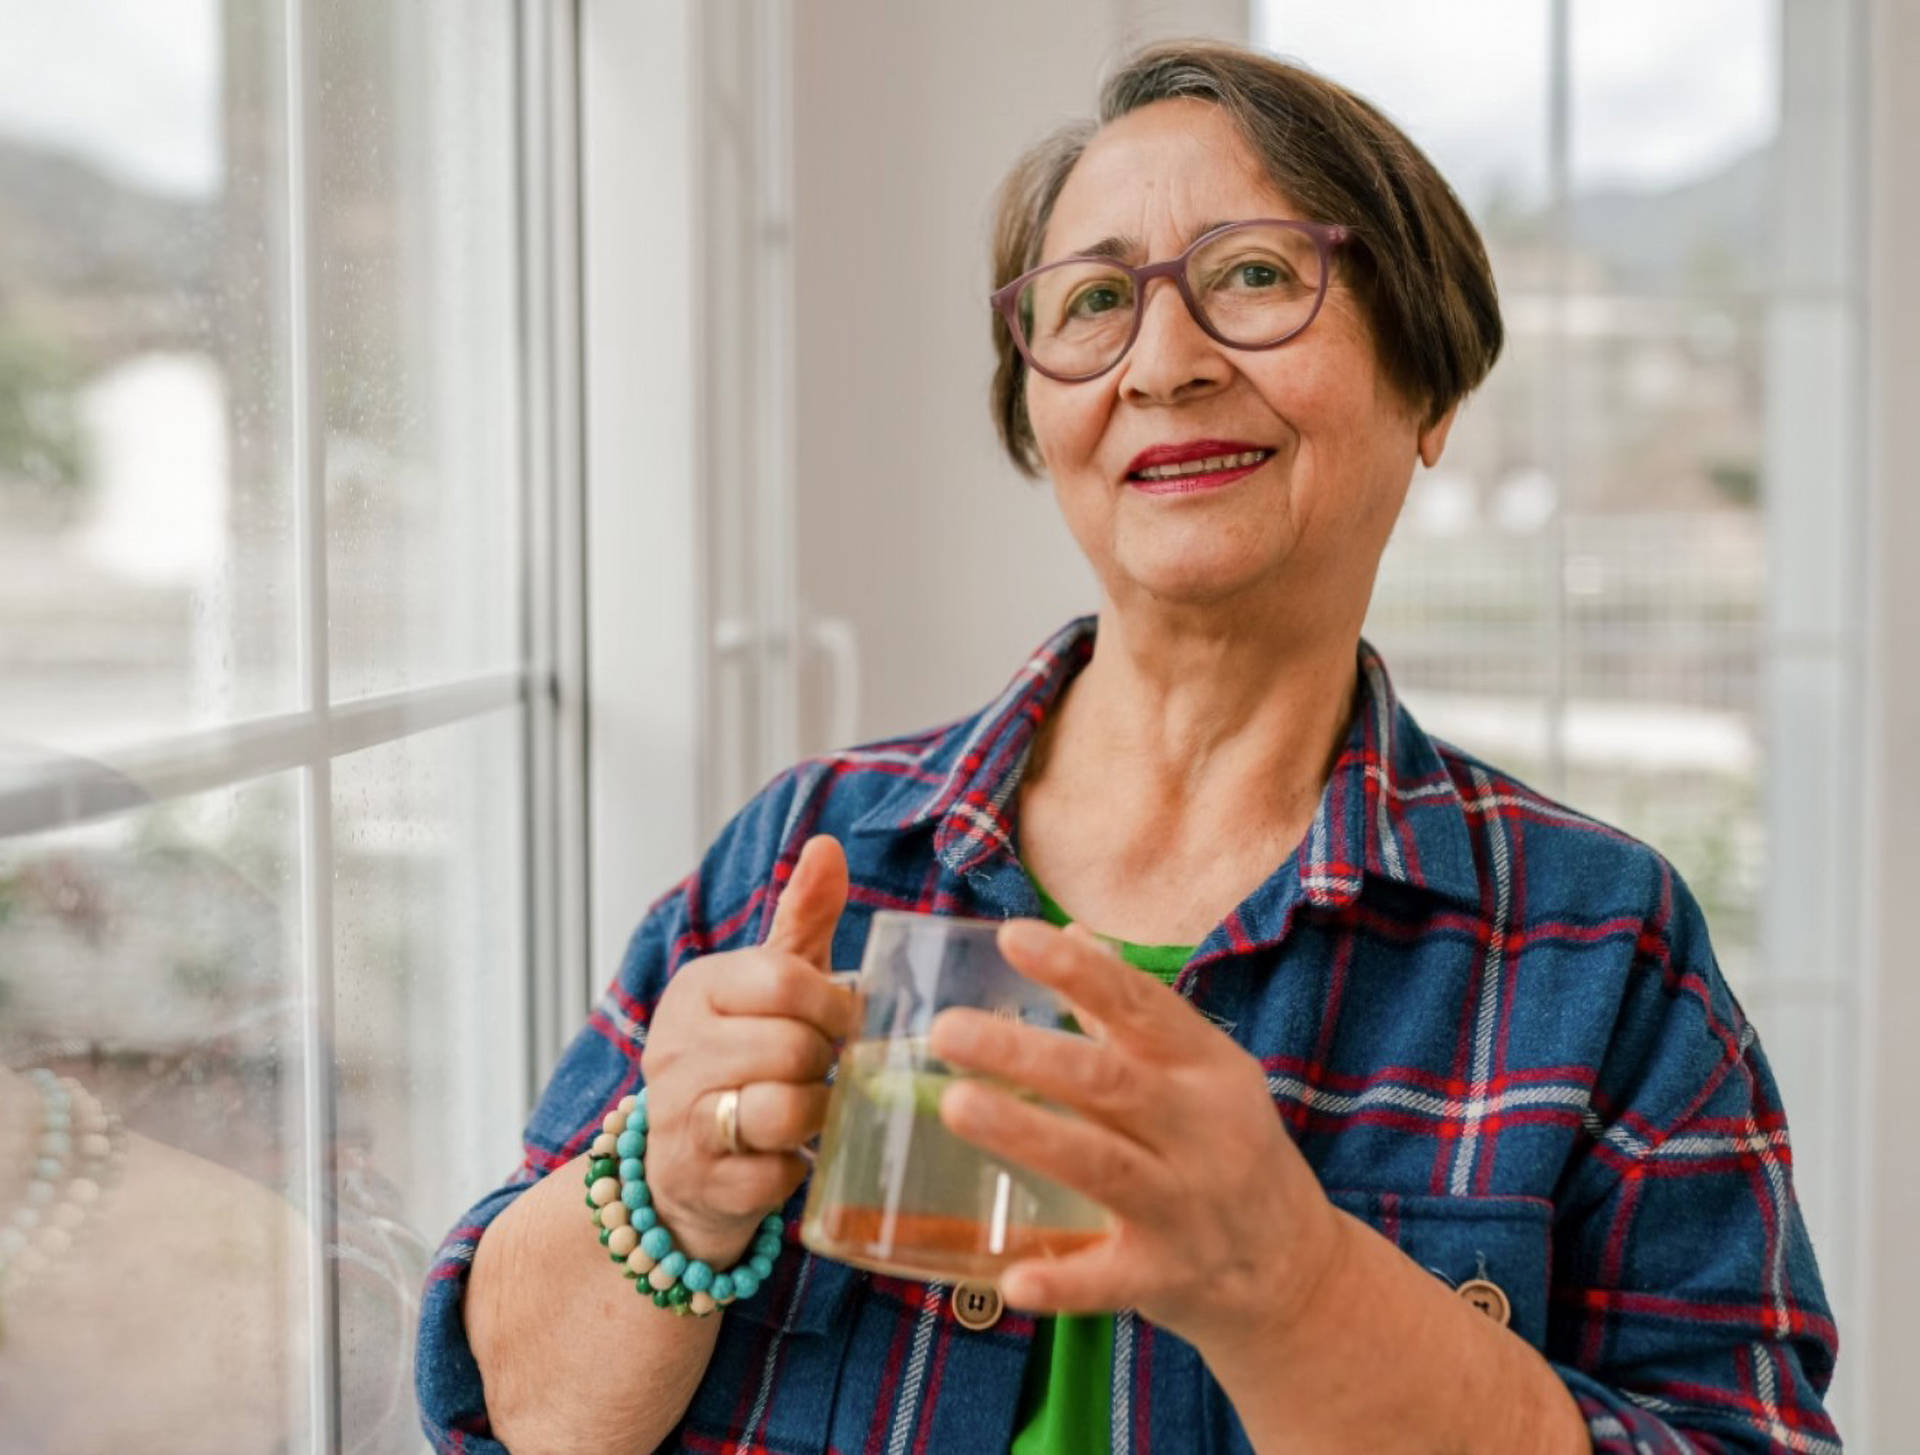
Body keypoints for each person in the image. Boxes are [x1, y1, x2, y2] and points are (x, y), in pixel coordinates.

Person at [416, 39, 1839, 1454]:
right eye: (1094, 301)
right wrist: (669, 1195)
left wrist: (1298, 1286)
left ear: (1434, 383)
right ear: (1039, 415)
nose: (1163, 363)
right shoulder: (806, 855)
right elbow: (504, 1416)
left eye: (1259, 277)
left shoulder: (1603, 954)